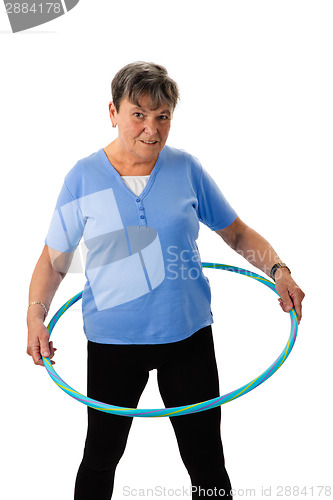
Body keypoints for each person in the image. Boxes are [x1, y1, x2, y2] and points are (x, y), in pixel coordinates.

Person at [26, 62, 305, 499]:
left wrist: (278, 270)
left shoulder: (185, 169)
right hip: (113, 343)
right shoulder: (83, 177)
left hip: (187, 337)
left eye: (162, 117)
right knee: (101, 456)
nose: (151, 129)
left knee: (207, 462)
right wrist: (35, 317)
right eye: (138, 114)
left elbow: (236, 233)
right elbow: (54, 260)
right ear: (113, 113)